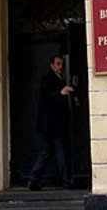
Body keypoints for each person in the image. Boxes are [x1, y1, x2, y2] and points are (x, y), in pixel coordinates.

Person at [27, 55, 74, 191]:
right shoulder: (47, 80)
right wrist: (61, 93)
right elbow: (47, 100)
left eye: (62, 64)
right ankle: (66, 181)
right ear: (52, 65)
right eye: (58, 64)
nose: (61, 67)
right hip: (52, 125)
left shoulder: (60, 78)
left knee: (47, 152)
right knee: (60, 151)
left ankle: (33, 179)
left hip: (53, 125)